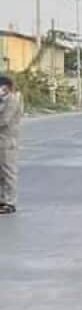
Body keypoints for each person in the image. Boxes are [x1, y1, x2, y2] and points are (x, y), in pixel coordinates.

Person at [0, 76, 23, 215]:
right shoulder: (4, 100)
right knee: (1, 174)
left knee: (9, 173)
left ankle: (10, 202)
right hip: (1, 141)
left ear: (6, 87)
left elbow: (4, 120)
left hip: (7, 142)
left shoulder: (13, 100)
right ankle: (2, 199)